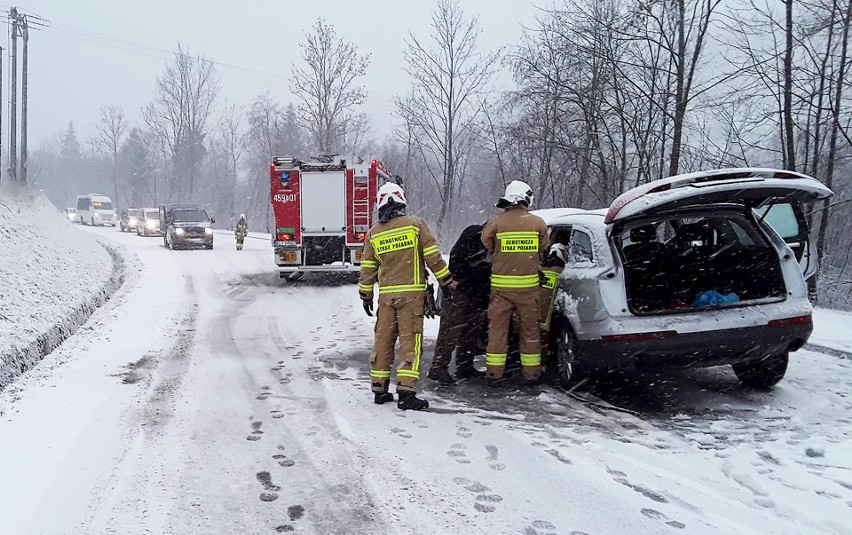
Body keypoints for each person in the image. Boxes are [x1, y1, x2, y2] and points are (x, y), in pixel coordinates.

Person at [359, 182, 455, 411]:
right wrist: (447, 281)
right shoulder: (415, 225)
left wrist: (366, 295)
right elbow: (433, 257)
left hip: (386, 298)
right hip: (411, 297)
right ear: (401, 200)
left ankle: (379, 389)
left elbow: (368, 267)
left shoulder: (374, 233)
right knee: (411, 342)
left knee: (383, 341)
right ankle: (406, 393)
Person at [481, 180, 549, 387]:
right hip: (528, 290)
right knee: (530, 332)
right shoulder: (538, 223)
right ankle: (532, 375)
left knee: (498, 332)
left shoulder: (495, 223)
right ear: (526, 198)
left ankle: (494, 375)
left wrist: (499, 256)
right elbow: (544, 250)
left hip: (501, 289)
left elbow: (486, 243)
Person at [427, 223, 491, 385]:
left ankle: (464, 366)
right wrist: (457, 283)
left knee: (470, 331)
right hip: (461, 290)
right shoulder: (474, 235)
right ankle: (439, 368)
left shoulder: (484, 237)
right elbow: (457, 260)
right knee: (451, 330)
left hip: (476, 292)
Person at [539, 243, 567, 366]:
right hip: (545, 324)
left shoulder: (540, 271)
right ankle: (538, 369)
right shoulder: (563, 272)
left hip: (528, 320)